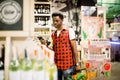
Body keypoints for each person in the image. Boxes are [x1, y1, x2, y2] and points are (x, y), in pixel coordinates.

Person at [51, 12, 80, 80]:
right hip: (56, 65)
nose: (55, 22)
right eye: (53, 21)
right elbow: (54, 49)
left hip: (67, 65)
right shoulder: (53, 34)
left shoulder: (69, 31)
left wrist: (77, 64)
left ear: (62, 20)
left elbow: (74, 49)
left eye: (57, 21)